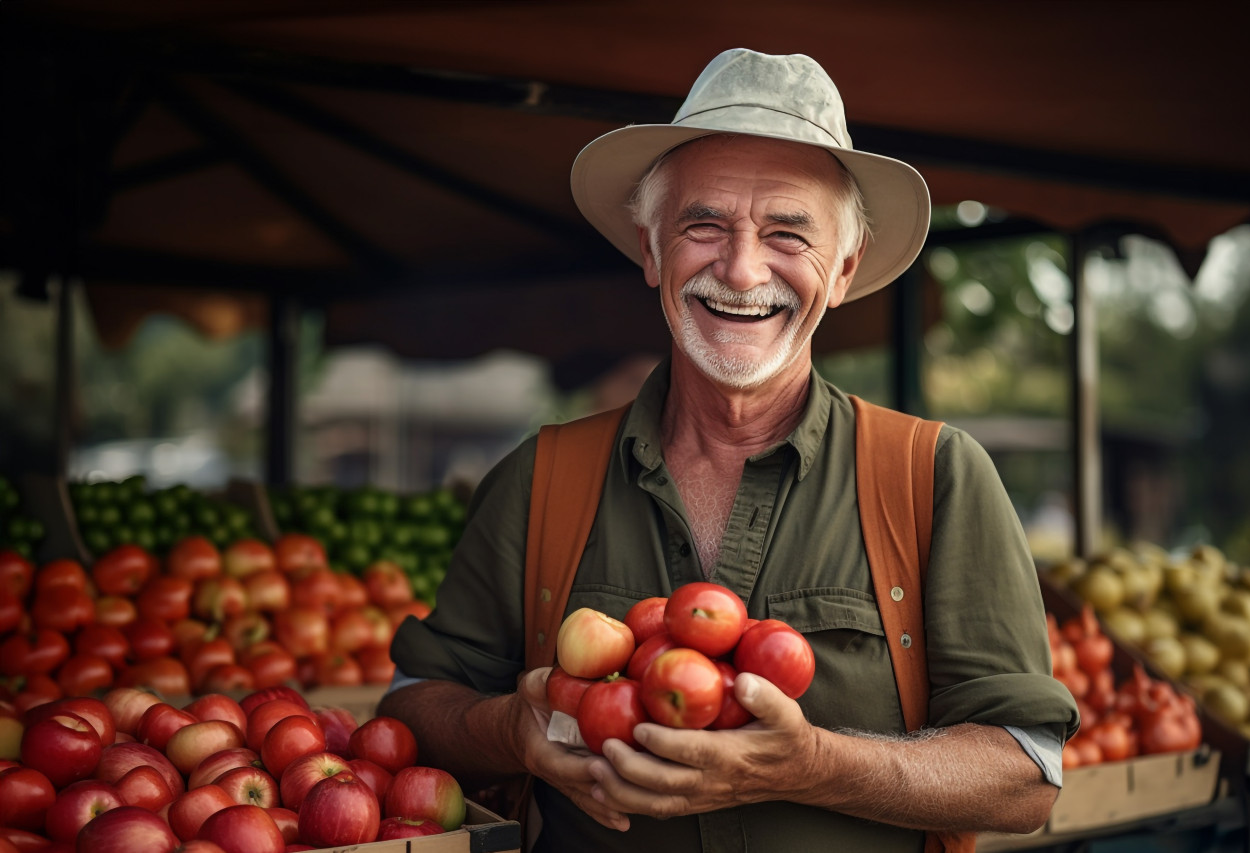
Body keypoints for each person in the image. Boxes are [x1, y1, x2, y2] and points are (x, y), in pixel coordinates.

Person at [379, 48, 1079, 852]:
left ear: (843, 269)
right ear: (651, 251)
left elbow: (1027, 770)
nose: (742, 269)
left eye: (788, 232)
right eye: (703, 224)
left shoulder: (934, 478)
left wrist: (810, 763)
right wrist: (511, 728)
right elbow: (410, 705)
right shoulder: (540, 480)